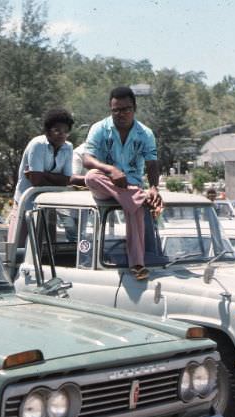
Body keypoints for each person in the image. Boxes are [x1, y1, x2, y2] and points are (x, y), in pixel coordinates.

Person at [82, 86, 161, 280]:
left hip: (130, 188)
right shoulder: (99, 128)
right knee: (91, 176)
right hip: (105, 184)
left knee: (133, 207)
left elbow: (152, 162)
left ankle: (138, 264)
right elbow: (86, 159)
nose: (121, 114)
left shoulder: (145, 133)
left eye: (126, 109)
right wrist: (110, 170)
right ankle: (138, 197)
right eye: (116, 110)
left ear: (134, 109)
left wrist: (153, 187)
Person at [8, 109, 85, 244]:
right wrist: (54, 178)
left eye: (65, 131)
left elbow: (66, 180)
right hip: (27, 205)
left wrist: (44, 174)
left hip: (48, 205)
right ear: (48, 131)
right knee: (18, 249)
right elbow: (36, 181)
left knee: (47, 249)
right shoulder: (37, 145)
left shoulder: (68, 147)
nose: (62, 135)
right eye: (57, 130)